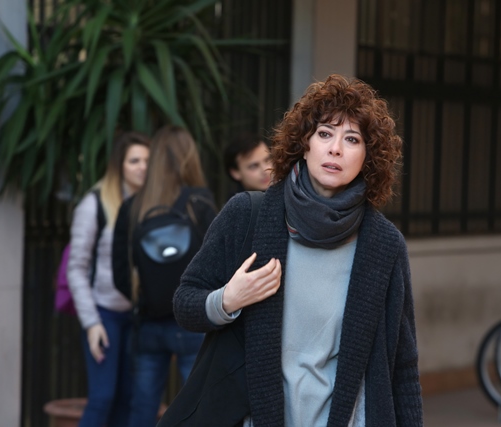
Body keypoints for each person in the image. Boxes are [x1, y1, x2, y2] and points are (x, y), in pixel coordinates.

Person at [173, 74, 423, 426]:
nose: (335, 149)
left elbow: (403, 365)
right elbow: (185, 303)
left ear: (368, 157)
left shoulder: (383, 245)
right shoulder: (247, 215)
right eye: (324, 134)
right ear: (304, 144)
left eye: (352, 139)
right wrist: (228, 299)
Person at [112, 125, 217, 427]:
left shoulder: (133, 207)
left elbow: (120, 272)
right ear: (189, 158)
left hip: (148, 324)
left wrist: (145, 300)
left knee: (142, 411)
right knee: (201, 410)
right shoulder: (199, 202)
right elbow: (217, 263)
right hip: (194, 324)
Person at [67, 131, 150, 427]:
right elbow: (76, 268)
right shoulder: (94, 204)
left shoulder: (151, 204)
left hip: (139, 315)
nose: (142, 167)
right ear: (119, 165)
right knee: (102, 397)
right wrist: (92, 323)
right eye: (134, 161)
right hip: (104, 314)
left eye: (147, 161)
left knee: (128, 399)